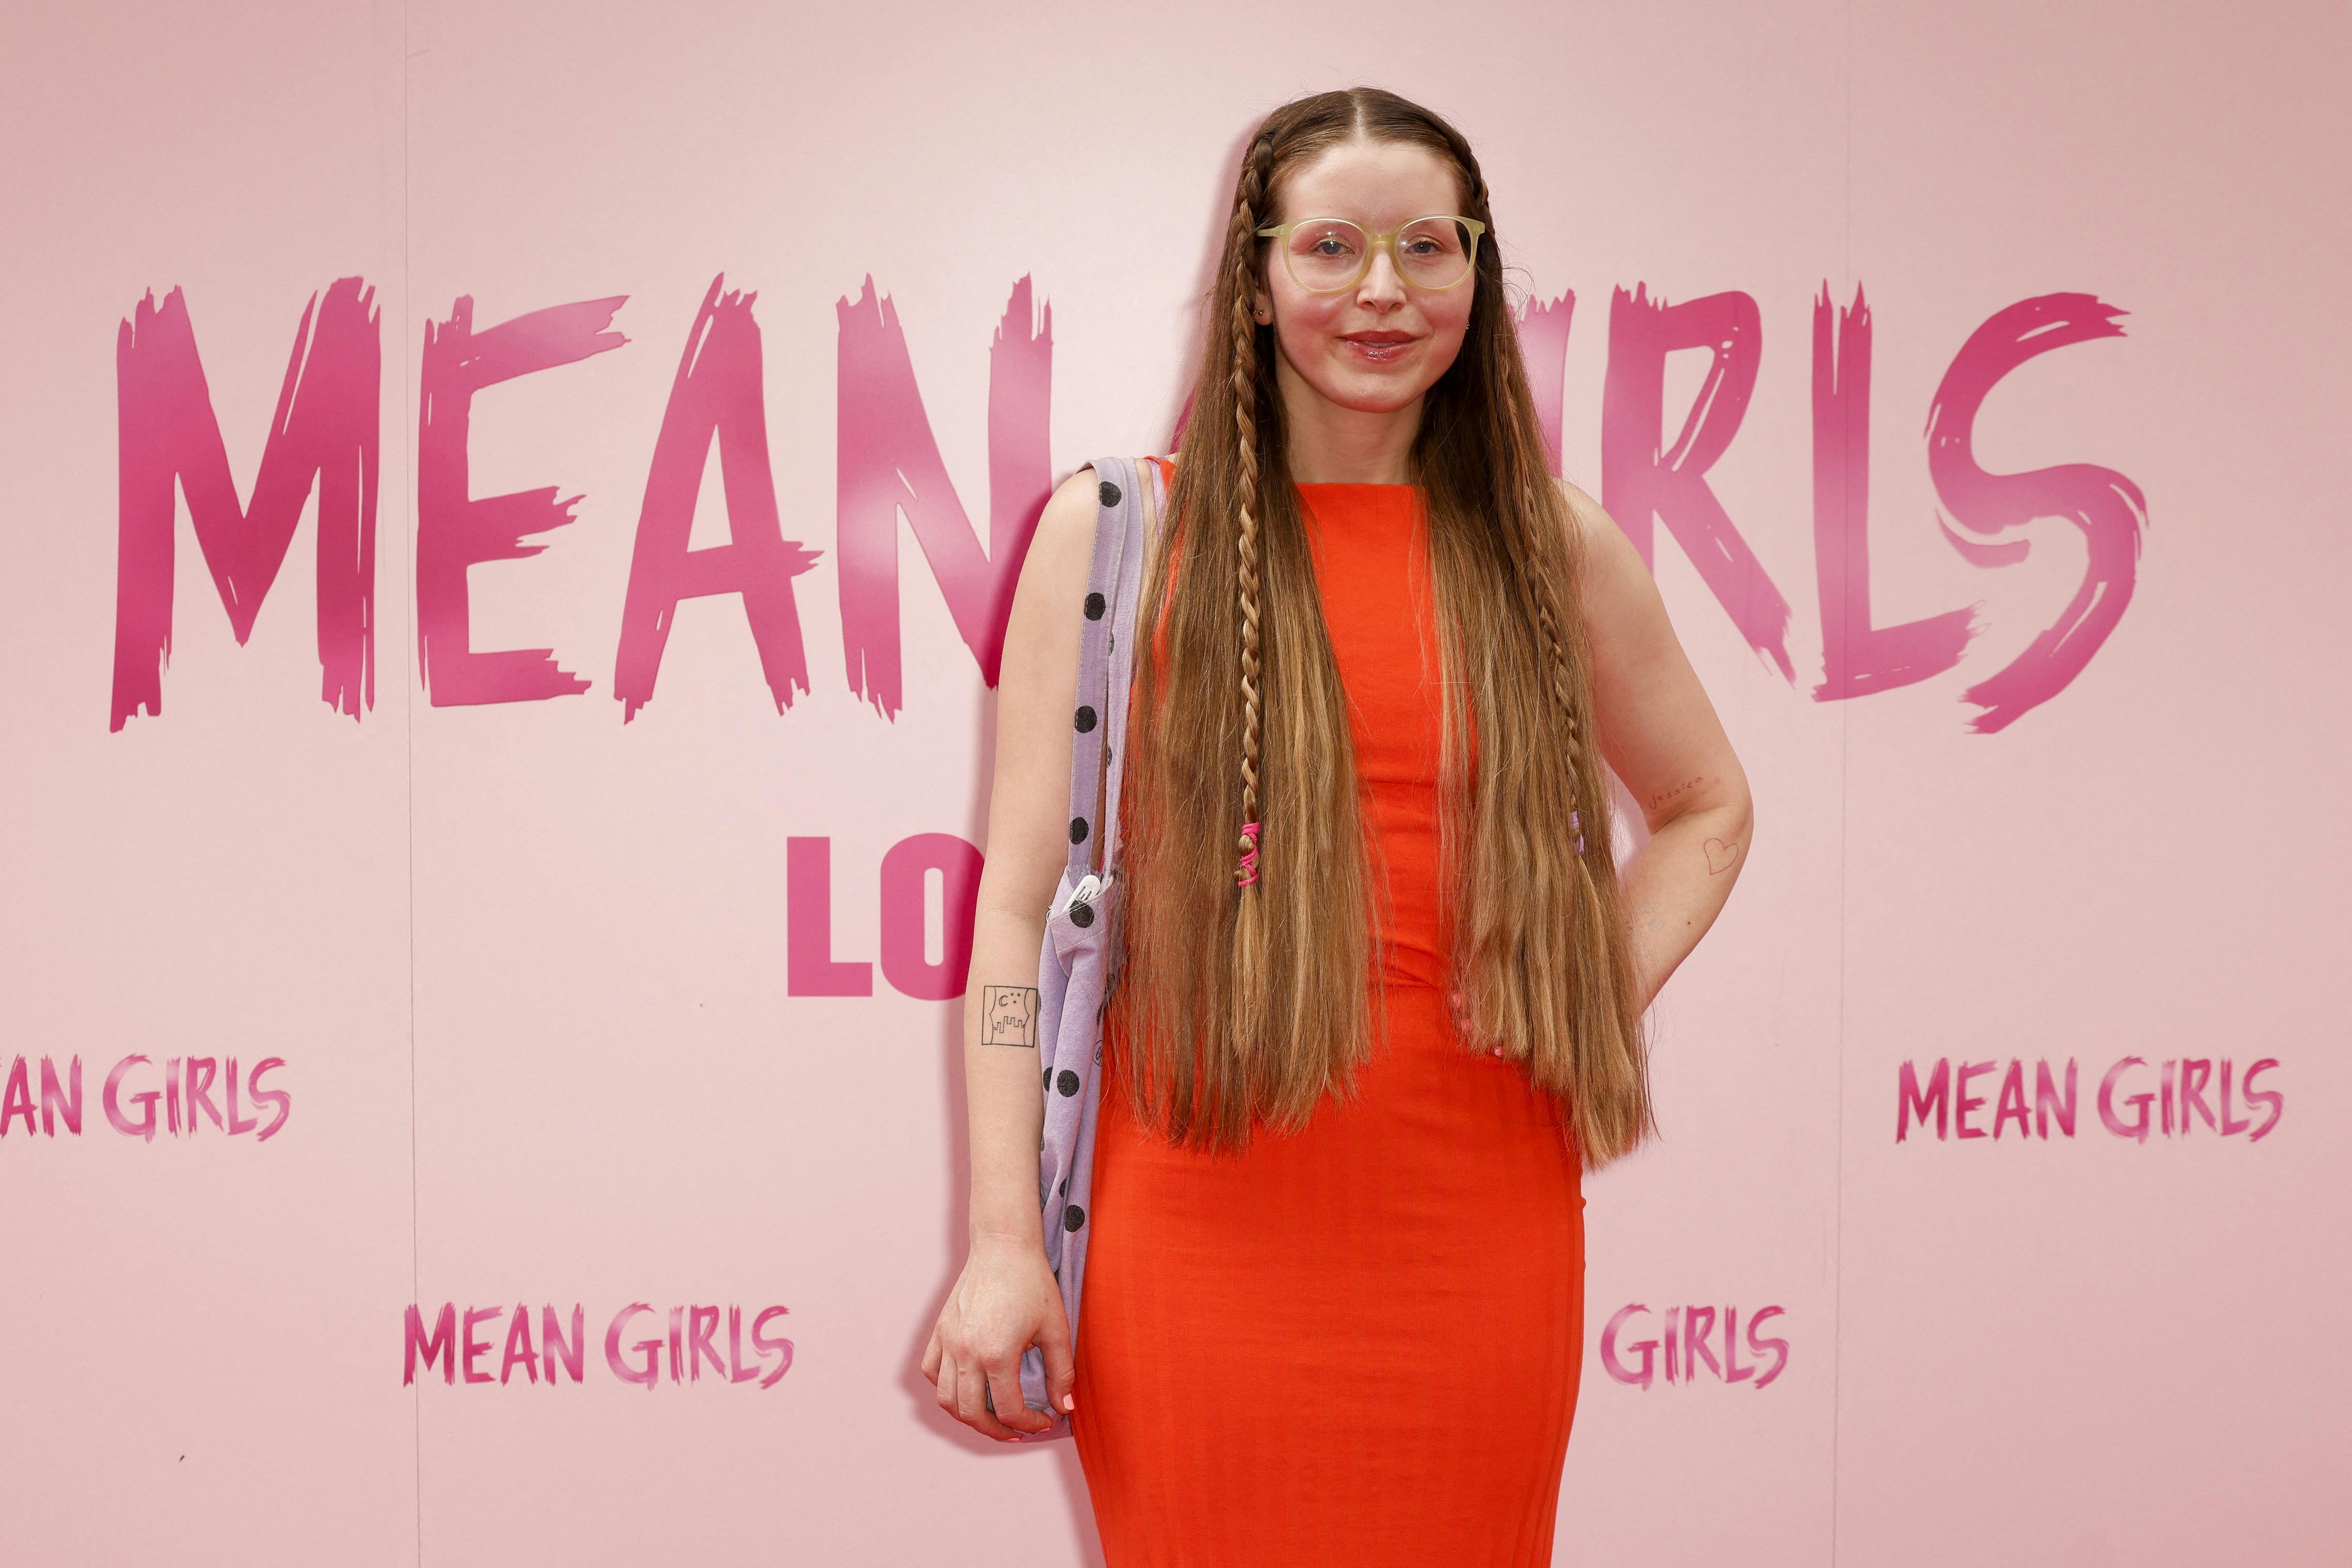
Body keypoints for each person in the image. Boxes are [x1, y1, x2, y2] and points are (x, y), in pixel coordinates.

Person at [921, 86, 1754, 1565]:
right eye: (1331, 249)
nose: (1382, 291)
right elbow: (1016, 907)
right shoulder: (1118, 532)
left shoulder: (1550, 546)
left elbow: (1705, 808)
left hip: (1477, 1216)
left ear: (1475, 275)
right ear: (1257, 280)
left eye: (1428, 248)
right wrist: (1000, 1247)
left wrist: (1583, 993)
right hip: (1195, 1202)